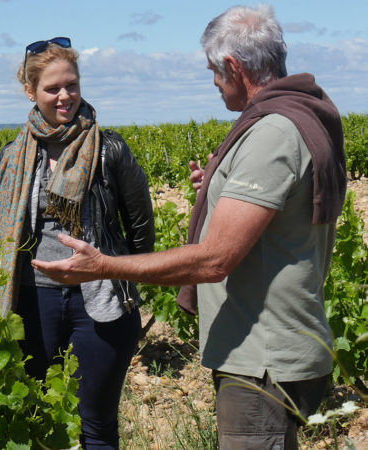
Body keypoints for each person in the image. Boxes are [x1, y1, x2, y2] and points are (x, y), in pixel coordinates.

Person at [31, 6, 347, 450]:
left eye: (214, 72)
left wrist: (106, 266)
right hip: (268, 353)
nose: (215, 83)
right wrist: (217, 186)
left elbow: (216, 258)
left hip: (263, 360)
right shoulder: (294, 117)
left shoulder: (273, 132)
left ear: (234, 68)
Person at [0, 37, 155, 448]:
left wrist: (125, 278)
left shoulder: (108, 149)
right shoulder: (12, 156)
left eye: (72, 85)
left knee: (95, 423)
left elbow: (140, 227)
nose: (65, 96)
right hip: (30, 301)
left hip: (97, 301)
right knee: (37, 417)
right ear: (30, 91)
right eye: (53, 88)